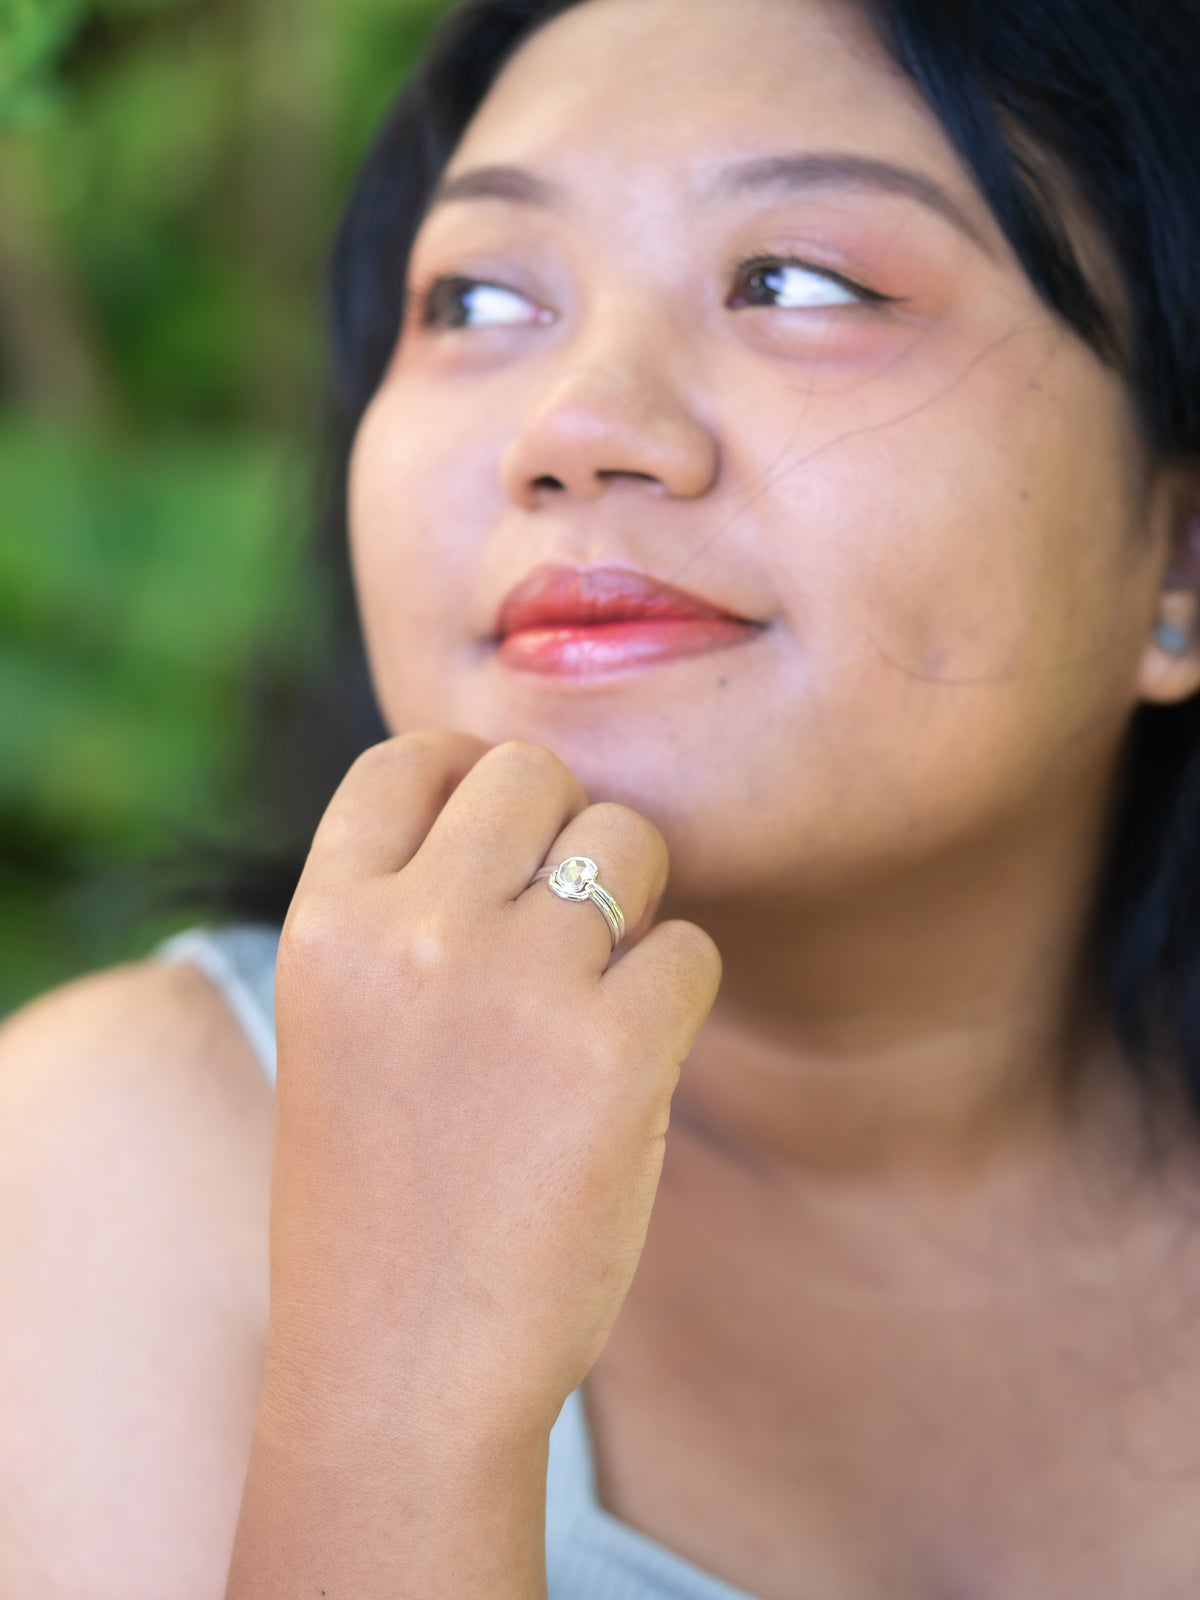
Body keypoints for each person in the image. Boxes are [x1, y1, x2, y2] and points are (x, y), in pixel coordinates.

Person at [3, 0, 1200, 1593]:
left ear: (1179, 558)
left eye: (798, 282)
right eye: (480, 298)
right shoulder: (104, 1167)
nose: (574, 428)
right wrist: (399, 1390)